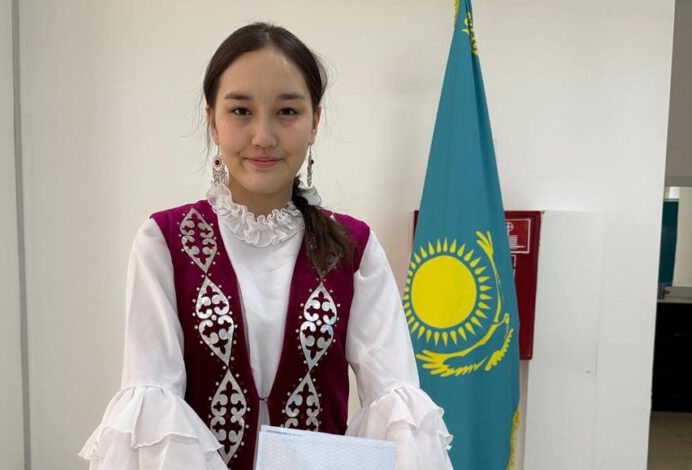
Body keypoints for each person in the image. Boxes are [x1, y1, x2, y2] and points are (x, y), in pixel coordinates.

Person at [79, 22, 453, 470]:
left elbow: (394, 405)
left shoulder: (353, 248)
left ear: (315, 122)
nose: (263, 136)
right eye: (240, 110)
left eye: (287, 111)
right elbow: (154, 406)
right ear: (212, 121)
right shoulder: (164, 242)